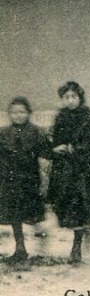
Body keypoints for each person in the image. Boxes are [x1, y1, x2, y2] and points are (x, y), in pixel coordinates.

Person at [47, 80, 90, 265]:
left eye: (74, 96)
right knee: (64, 205)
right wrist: (55, 148)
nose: (71, 100)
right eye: (67, 97)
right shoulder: (60, 117)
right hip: (64, 169)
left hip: (84, 171)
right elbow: (54, 139)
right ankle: (83, 232)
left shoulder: (88, 117)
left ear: (80, 97)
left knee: (80, 205)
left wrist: (74, 149)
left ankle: (76, 246)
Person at [0, 96, 52, 264]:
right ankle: (20, 248)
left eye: (22, 112)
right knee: (15, 217)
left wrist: (45, 177)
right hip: (10, 181)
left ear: (29, 113)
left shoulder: (36, 132)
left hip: (30, 181)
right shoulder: (4, 133)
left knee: (34, 215)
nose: (18, 115)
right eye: (14, 112)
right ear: (9, 114)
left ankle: (43, 242)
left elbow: (46, 154)